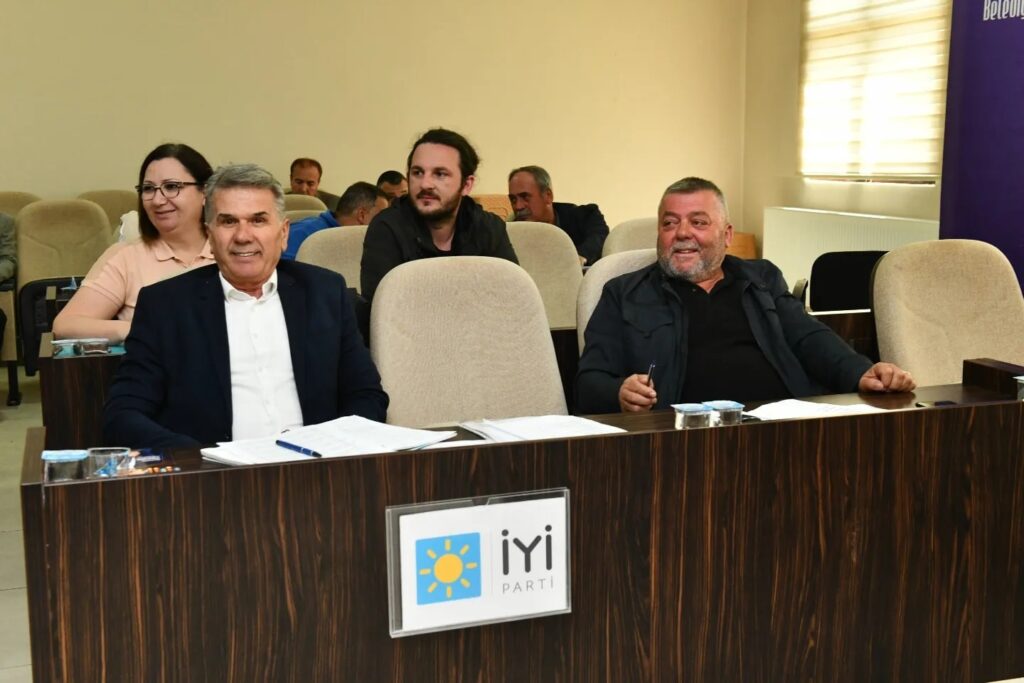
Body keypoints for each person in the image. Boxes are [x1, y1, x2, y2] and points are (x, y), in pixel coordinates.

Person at [104, 163, 388, 448]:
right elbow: (123, 414)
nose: (243, 236)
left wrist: (334, 447)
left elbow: (366, 395)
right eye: (228, 222)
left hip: (316, 465)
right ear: (210, 236)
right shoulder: (165, 306)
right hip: (213, 470)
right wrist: (198, 459)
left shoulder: (325, 293)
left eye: (258, 220)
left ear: (283, 233)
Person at [576, 177, 915, 414]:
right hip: (682, 441)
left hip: (778, 427)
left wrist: (861, 372)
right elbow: (588, 383)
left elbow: (808, 337)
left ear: (726, 235)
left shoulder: (761, 278)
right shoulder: (624, 293)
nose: (681, 233)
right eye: (669, 223)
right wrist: (618, 393)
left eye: (698, 222)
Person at [52, 143, 216, 343]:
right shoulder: (127, 257)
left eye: (171, 187)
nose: (157, 200)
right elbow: (66, 325)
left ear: (205, 192)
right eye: (148, 189)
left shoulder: (233, 250)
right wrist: (142, 330)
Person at [360, 128, 519, 302]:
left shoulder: (489, 228)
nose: (425, 184)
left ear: (466, 185)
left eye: (440, 174)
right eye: (417, 173)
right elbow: (382, 310)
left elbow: (513, 300)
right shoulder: (386, 229)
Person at [508, 165, 609, 266]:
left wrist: (577, 258)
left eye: (525, 197)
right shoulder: (508, 233)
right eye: (513, 199)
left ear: (548, 196)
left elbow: (599, 237)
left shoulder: (584, 216)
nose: (518, 206)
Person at [283, 182, 389, 260]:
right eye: (381, 216)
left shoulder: (362, 243)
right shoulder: (300, 234)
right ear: (362, 215)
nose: (384, 223)